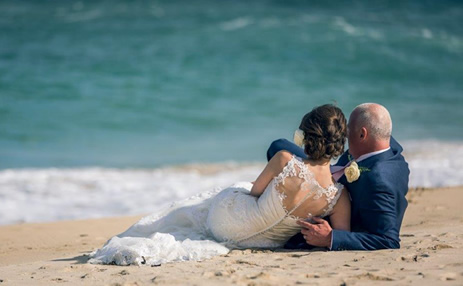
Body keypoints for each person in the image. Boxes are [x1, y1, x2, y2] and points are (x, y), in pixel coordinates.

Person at [89, 104, 351, 266]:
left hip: (225, 222)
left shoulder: (284, 159)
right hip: (264, 243)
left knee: (233, 190)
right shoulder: (338, 198)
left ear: (306, 137)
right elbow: (341, 236)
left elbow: (256, 192)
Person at [267, 103, 409, 251]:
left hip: (335, 214)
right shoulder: (384, 144)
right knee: (279, 147)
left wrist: (330, 238)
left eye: (348, 129)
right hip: (329, 179)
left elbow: (388, 240)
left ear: (362, 134)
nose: (345, 134)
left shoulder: (379, 181)